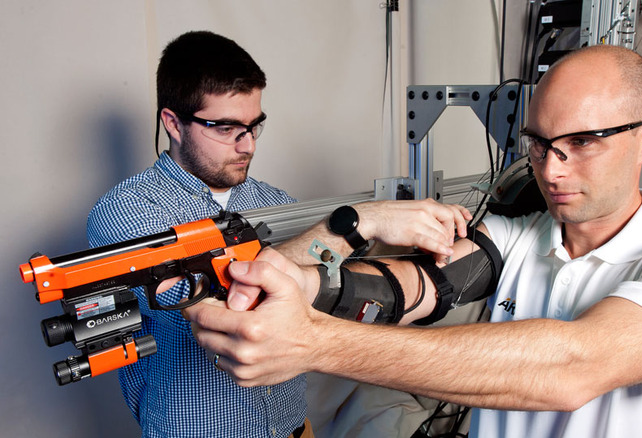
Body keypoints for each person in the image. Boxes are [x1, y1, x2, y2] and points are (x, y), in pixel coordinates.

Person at [182, 45, 642, 438]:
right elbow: (407, 288)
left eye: (581, 142)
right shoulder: (516, 237)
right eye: (538, 144)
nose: (552, 170)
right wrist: (305, 280)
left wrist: (314, 343)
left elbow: (571, 367)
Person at [87, 30, 469, 438]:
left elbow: (327, 293)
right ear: (173, 123)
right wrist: (358, 222)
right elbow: (224, 315)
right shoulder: (125, 211)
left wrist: (401, 243)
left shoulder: (275, 201)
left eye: (255, 126)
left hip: (292, 428)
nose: (247, 144)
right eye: (226, 128)